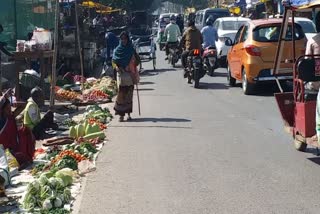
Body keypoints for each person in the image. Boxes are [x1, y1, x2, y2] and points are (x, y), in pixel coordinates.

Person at [0, 92, 35, 168]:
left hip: (13, 147)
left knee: (27, 131)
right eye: (7, 109)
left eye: (10, 108)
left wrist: (13, 103)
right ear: (2, 110)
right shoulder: (1, 120)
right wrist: (4, 96)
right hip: (3, 151)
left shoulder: (11, 116)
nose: (9, 110)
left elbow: (24, 105)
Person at [112, 31, 140, 122]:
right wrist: (117, 67)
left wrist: (132, 64)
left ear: (128, 39)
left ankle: (128, 114)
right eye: (122, 39)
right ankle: (121, 115)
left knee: (129, 95)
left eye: (125, 39)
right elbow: (113, 62)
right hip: (121, 75)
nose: (124, 40)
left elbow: (137, 61)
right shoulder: (117, 50)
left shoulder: (131, 49)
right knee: (121, 95)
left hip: (130, 75)